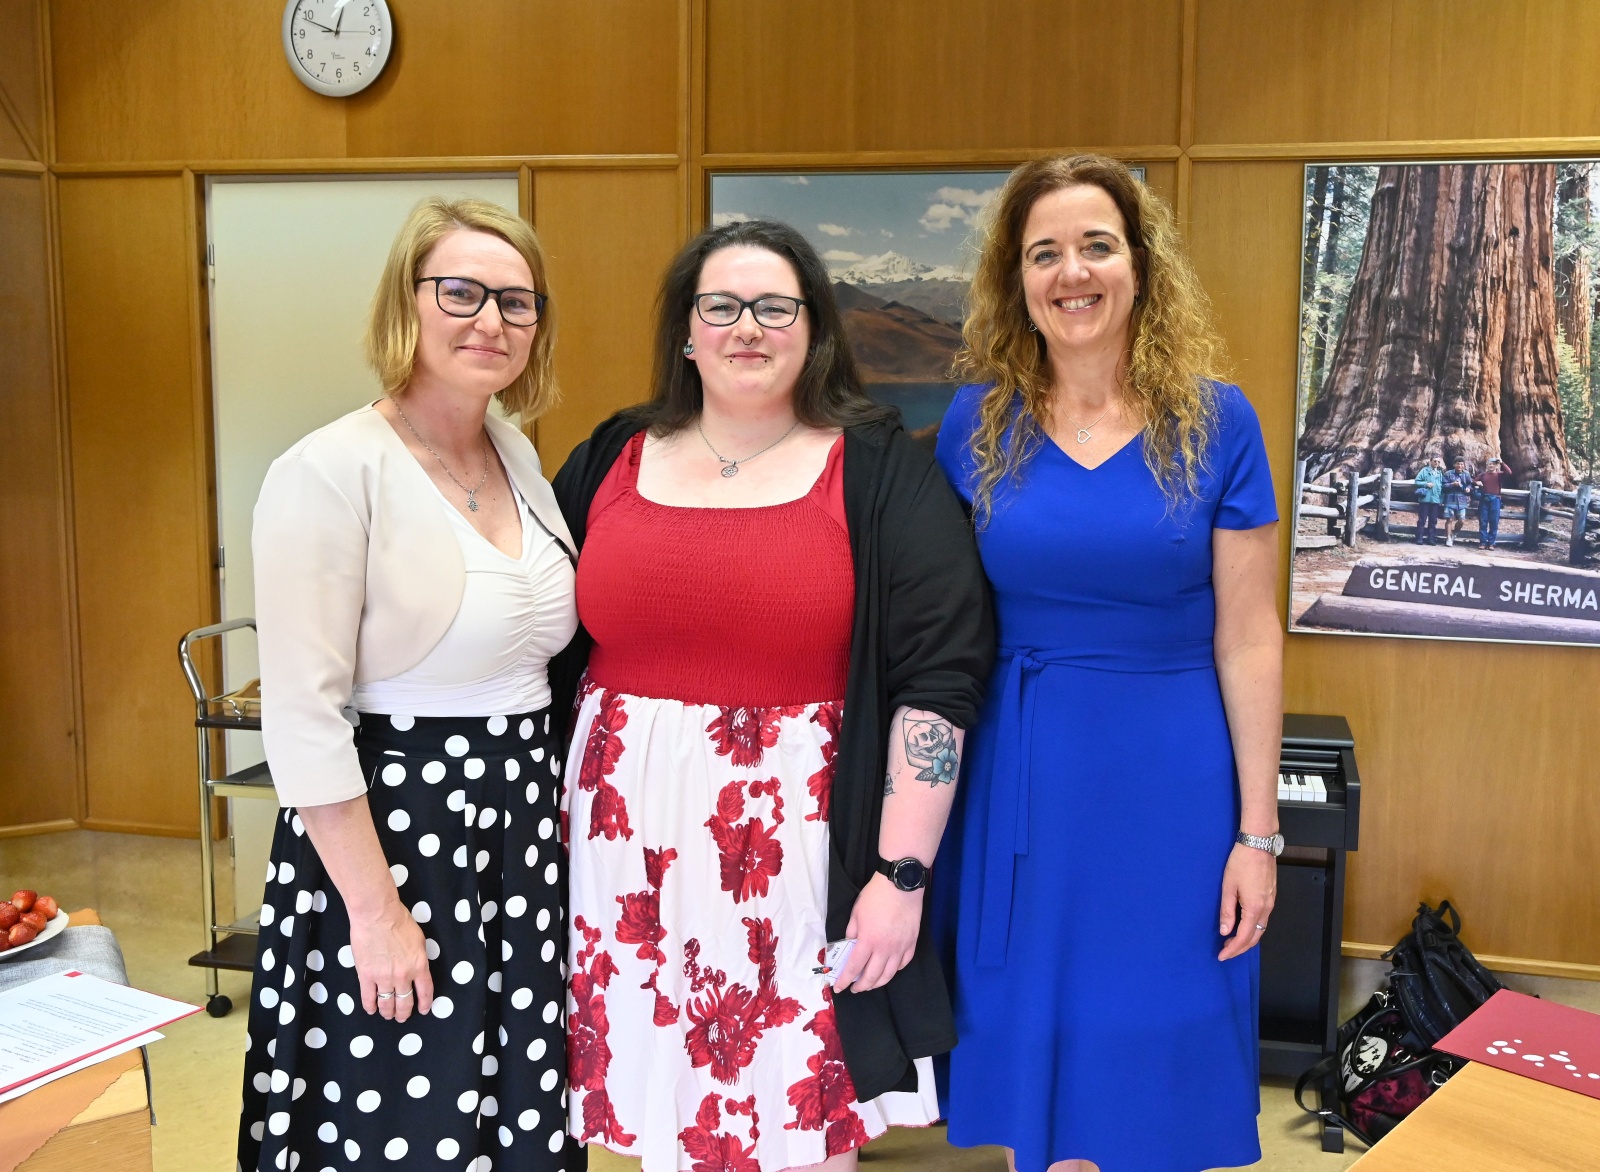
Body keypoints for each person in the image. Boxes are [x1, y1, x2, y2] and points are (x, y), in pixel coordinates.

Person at [547, 219, 993, 1171]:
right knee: (667, 1119)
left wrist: (901, 876)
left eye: (775, 307)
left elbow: (939, 678)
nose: (747, 327)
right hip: (624, 852)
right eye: (721, 306)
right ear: (686, 330)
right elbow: (534, 629)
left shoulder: (879, 469)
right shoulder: (612, 454)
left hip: (798, 855)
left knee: (797, 1127)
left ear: (814, 328)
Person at [932, 154, 1281, 1172]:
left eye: (1097, 245)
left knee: (1153, 1063)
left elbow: (1248, 635)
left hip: (1174, 783)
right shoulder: (975, 424)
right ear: (1016, 279)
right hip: (1021, 777)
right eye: (1044, 252)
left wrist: (1257, 832)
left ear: (1139, 264)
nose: (1072, 271)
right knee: (1035, 1057)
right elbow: (938, 621)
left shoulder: (1218, 421)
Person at [240, 198, 584, 1171]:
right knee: (402, 1109)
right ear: (407, 302)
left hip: (517, 830)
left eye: (516, 301)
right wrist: (375, 909)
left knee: (512, 1103)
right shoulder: (329, 469)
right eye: (461, 292)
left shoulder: (514, 451)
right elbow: (303, 714)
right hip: (395, 835)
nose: (491, 320)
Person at [1476, 456, 1513, 549]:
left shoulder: (1499, 475)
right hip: (1484, 499)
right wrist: (1476, 483)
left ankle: (1491, 543)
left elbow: (1509, 472)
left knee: (1494, 522)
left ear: (1496, 466)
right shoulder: (1483, 475)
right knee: (1483, 521)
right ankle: (1483, 542)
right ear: (1487, 465)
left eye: (1493, 464)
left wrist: (1502, 462)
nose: (1491, 466)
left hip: (1495, 499)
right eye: (1489, 464)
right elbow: (1473, 481)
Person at [1442, 456, 1474, 547]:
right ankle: (1448, 538)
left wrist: (1468, 488)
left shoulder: (1466, 474)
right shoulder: (1448, 474)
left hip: (1462, 500)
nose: (1459, 466)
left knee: (1462, 520)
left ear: (1463, 465)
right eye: (1457, 464)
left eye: (1461, 464)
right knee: (1449, 519)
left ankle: (1454, 533)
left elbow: (1470, 484)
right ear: (1454, 465)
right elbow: (1443, 486)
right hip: (1450, 499)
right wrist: (1452, 484)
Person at [1414, 456, 1445, 544]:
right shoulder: (1424, 471)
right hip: (1425, 499)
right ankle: (1419, 538)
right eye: (1434, 461)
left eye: (1438, 462)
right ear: (1430, 461)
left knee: (1433, 520)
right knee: (1422, 520)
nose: (1436, 463)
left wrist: (1441, 499)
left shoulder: (1440, 473)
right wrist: (1426, 484)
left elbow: (1442, 487)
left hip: (1435, 500)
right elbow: (1417, 481)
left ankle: (1431, 538)